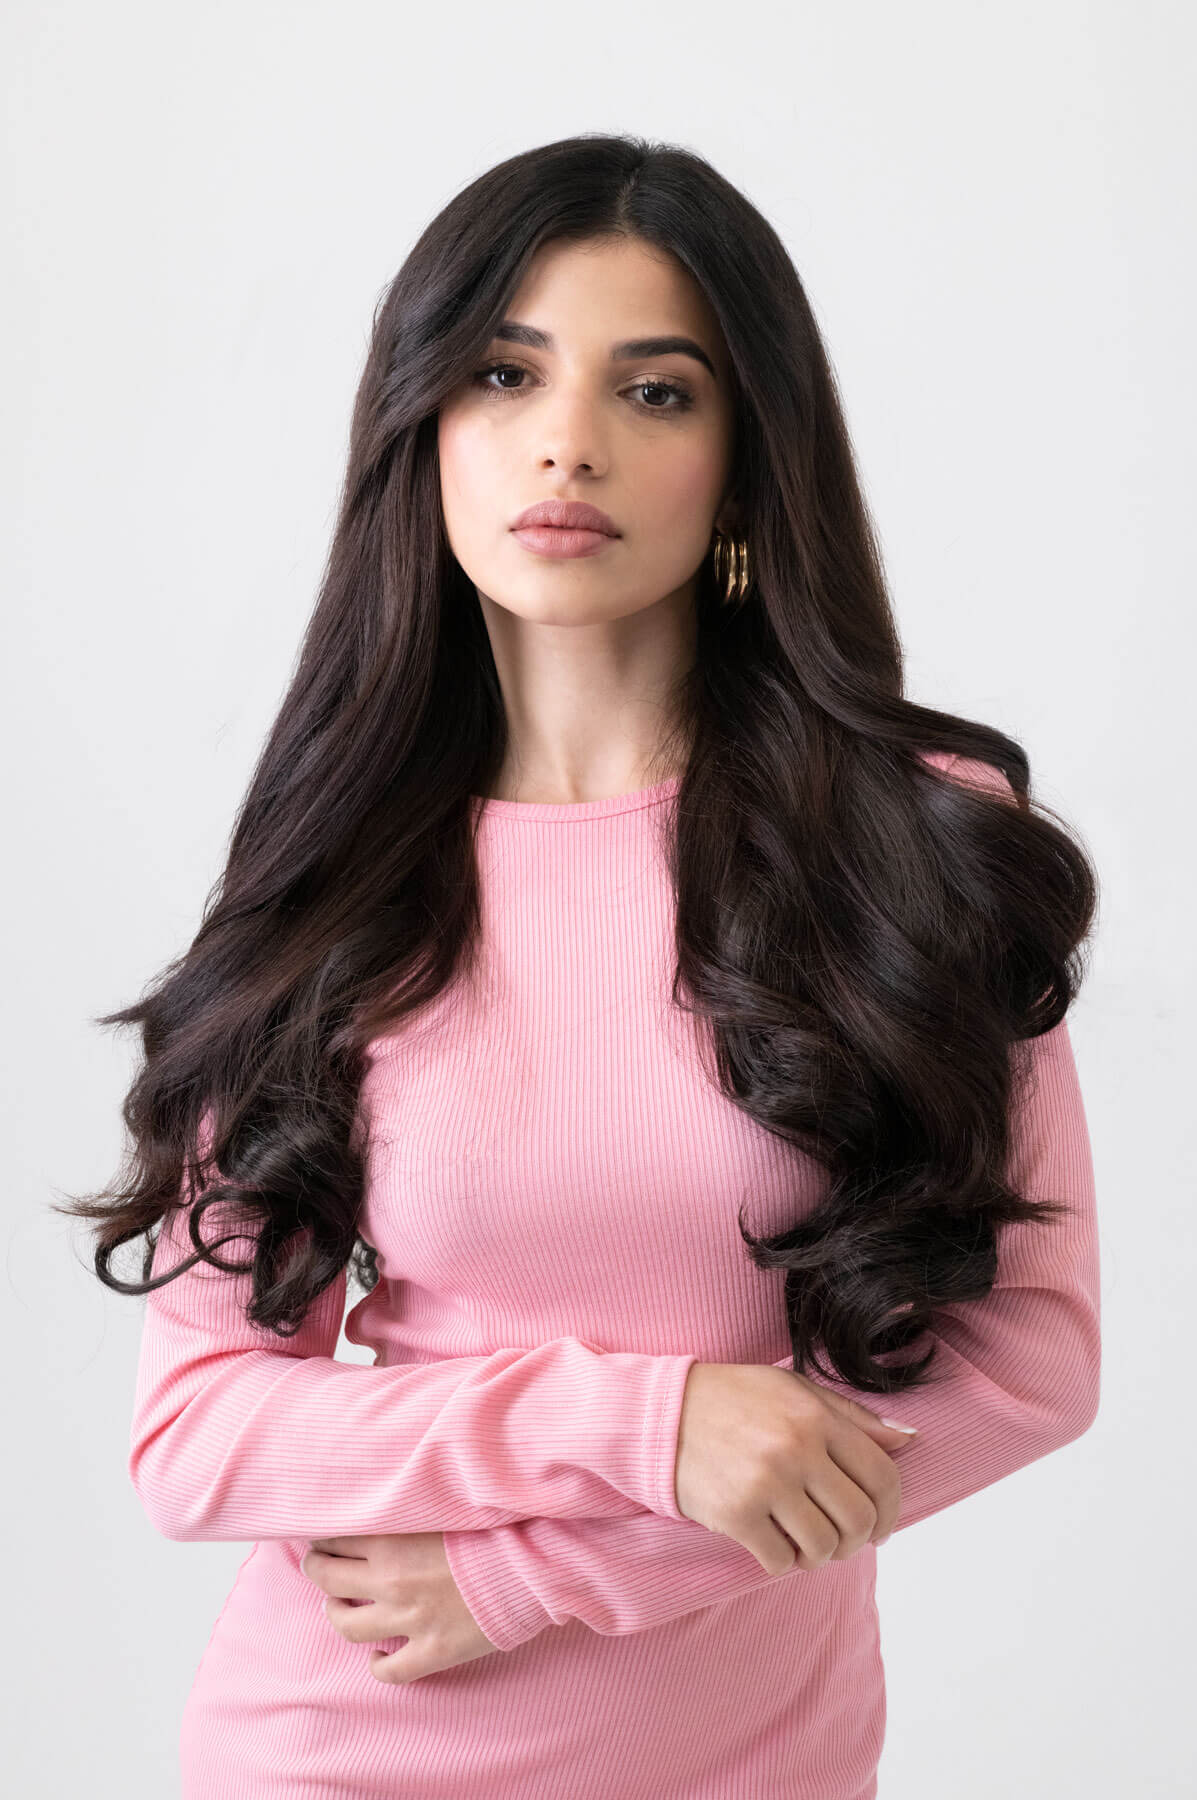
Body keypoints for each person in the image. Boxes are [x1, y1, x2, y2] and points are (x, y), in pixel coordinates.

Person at [61, 132, 1102, 1799]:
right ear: (426, 435)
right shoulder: (340, 878)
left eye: (658, 392)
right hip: (332, 1749)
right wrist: (645, 1423)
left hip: (756, 1761)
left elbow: (1026, 1363)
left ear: (752, 463)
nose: (568, 442)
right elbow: (197, 1432)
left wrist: (535, 1570)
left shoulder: (915, 851)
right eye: (502, 374)